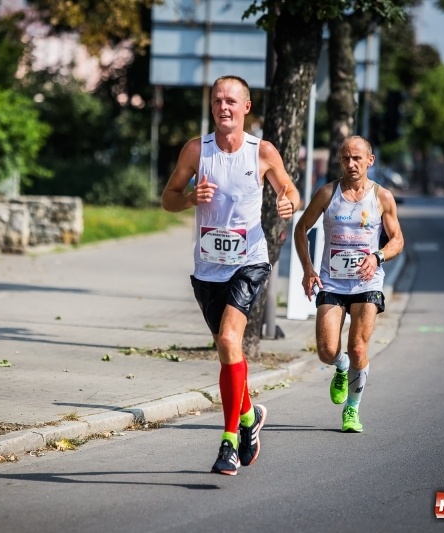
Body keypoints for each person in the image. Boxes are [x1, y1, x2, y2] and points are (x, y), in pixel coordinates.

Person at [161, 75, 300, 475]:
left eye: (231, 101)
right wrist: (189, 198)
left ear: (246, 108)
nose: (223, 107)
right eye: (217, 100)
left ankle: (228, 443)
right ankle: (248, 415)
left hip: (249, 259)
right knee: (228, 351)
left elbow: (290, 191)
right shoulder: (196, 150)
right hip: (207, 268)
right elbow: (167, 199)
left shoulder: (263, 152)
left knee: (227, 338)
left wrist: (287, 202)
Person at [293, 135, 404, 433]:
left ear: (370, 160)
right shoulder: (328, 194)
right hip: (332, 281)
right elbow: (301, 229)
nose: (351, 164)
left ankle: (352, 409)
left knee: (358, 348)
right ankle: (340, 367)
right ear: (340, 161)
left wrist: (377, 257)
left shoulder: (382, 197)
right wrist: (307, 268)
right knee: (327, 351)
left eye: (357, 158)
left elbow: (398, 241)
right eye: (346, 158)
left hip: (367, 283)